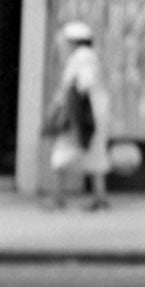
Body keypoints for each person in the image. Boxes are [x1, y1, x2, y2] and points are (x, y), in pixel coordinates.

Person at [44, 20, 111, 211]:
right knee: (95, 154)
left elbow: (83, 83)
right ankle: (100, 197)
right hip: (91, 114)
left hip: (82, 116)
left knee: (61, 152)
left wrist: (64, 103)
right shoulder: (87, 56)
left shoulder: (82, 56)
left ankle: (58, 197)